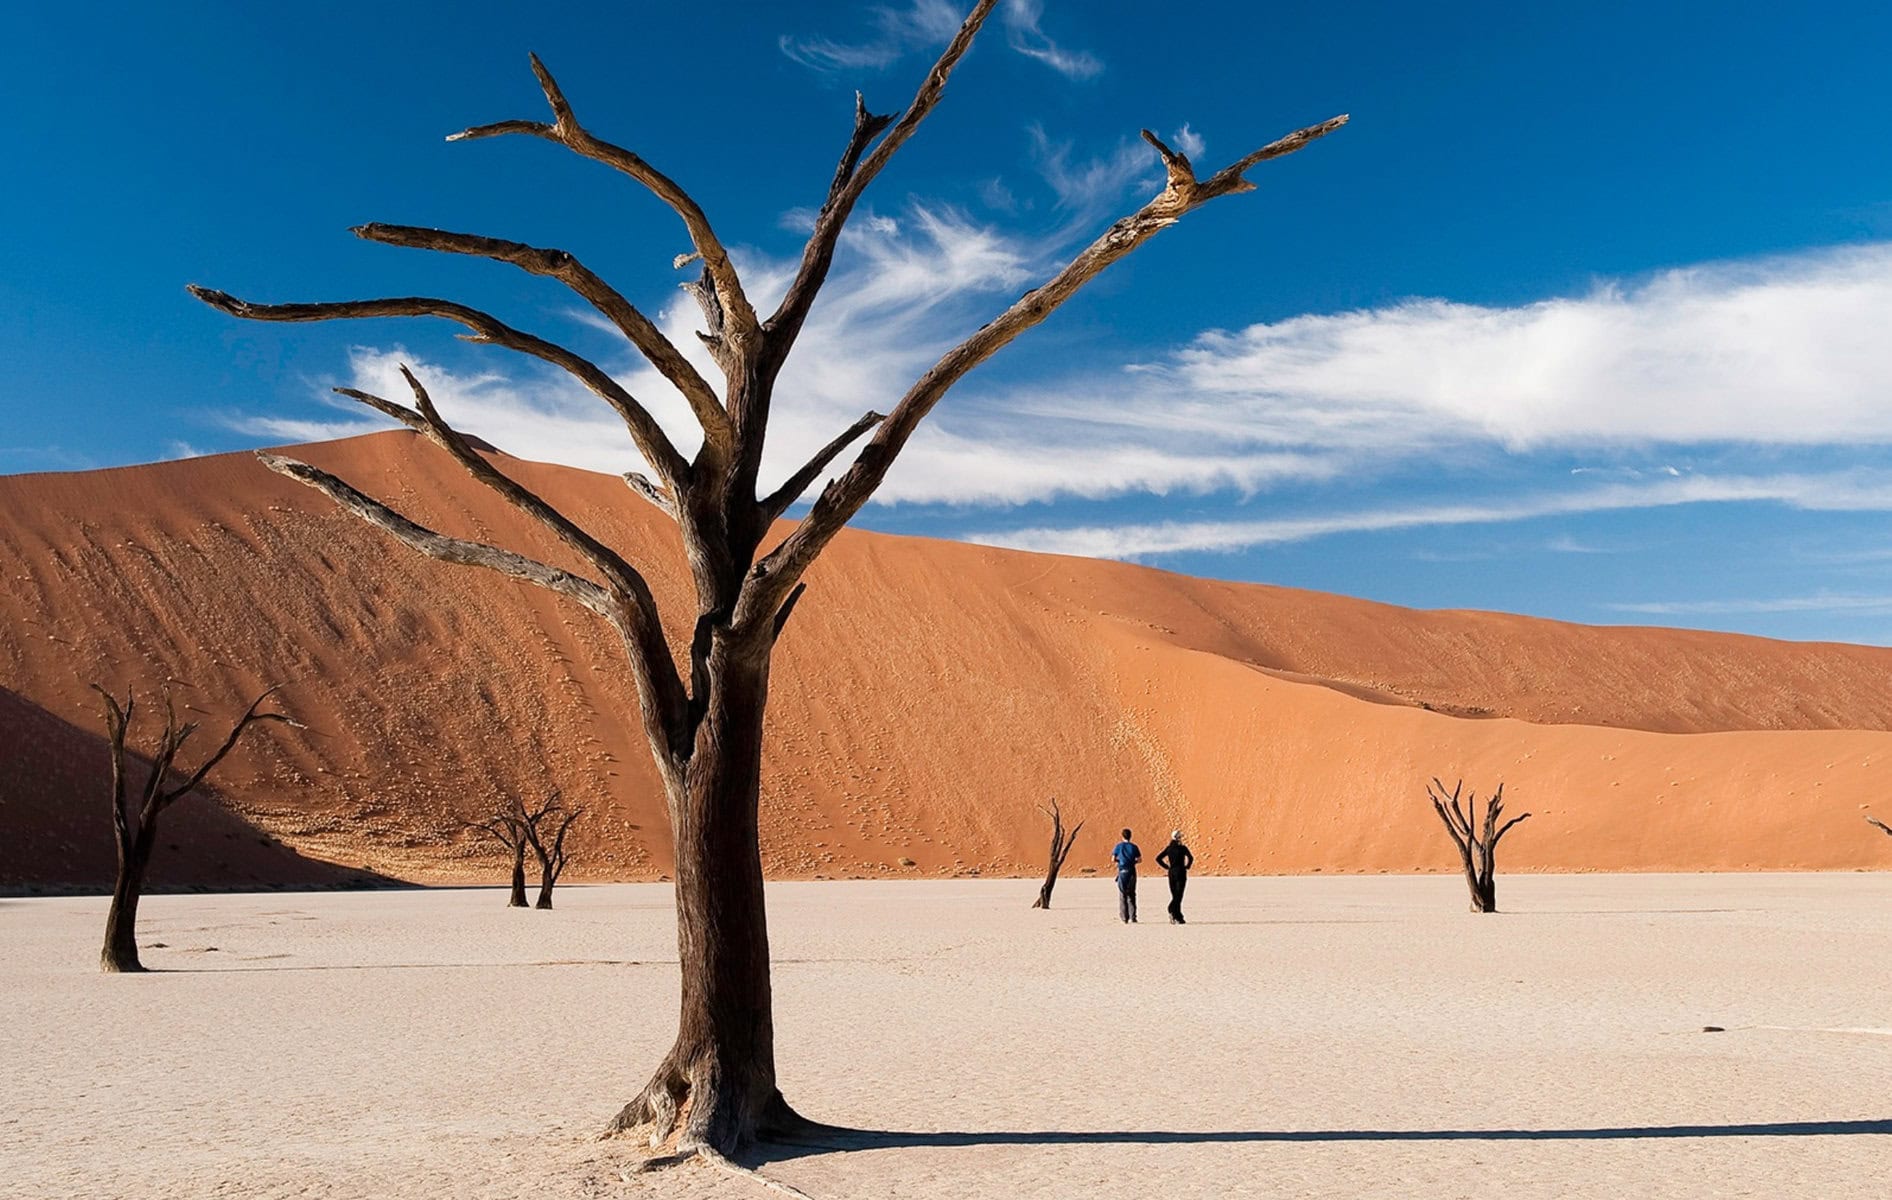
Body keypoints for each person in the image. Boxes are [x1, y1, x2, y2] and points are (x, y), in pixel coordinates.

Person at [1155, 829, 1194, 924]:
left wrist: (1167, 867)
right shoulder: (1183, 848)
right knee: (1179, 895)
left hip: (1171, 873)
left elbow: (1158, 858)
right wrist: (1187, 866)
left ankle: (1178, 916)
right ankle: (1171, 909)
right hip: (1181, 872)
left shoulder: (1169, 848)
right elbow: (1191, 857)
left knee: (1175, 894)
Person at [1110, 829, 1141, 923]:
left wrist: (1119, 861)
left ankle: (1124, 918)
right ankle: (1133, 917)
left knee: (1122, 894)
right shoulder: (1134, 847)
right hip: (1131, 871)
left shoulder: (1118, 846)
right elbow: (1139, 860)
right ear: (1130, 836)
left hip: (1122, 871)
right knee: (1132, 894)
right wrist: (1132, 862)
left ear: (1122, 836)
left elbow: (1113, 859)